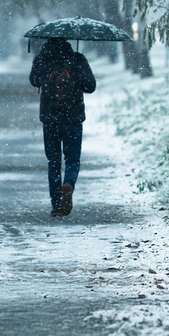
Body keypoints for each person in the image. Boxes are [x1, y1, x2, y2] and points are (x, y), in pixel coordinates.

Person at [29, 37, 96, 217]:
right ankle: (69, 184)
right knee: (72, 160)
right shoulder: (76, 59)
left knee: (54, 161)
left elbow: (34, 81)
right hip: (73, 118)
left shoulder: (42, 59)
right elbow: (90, 86)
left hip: (50, 119)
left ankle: (57, 204)